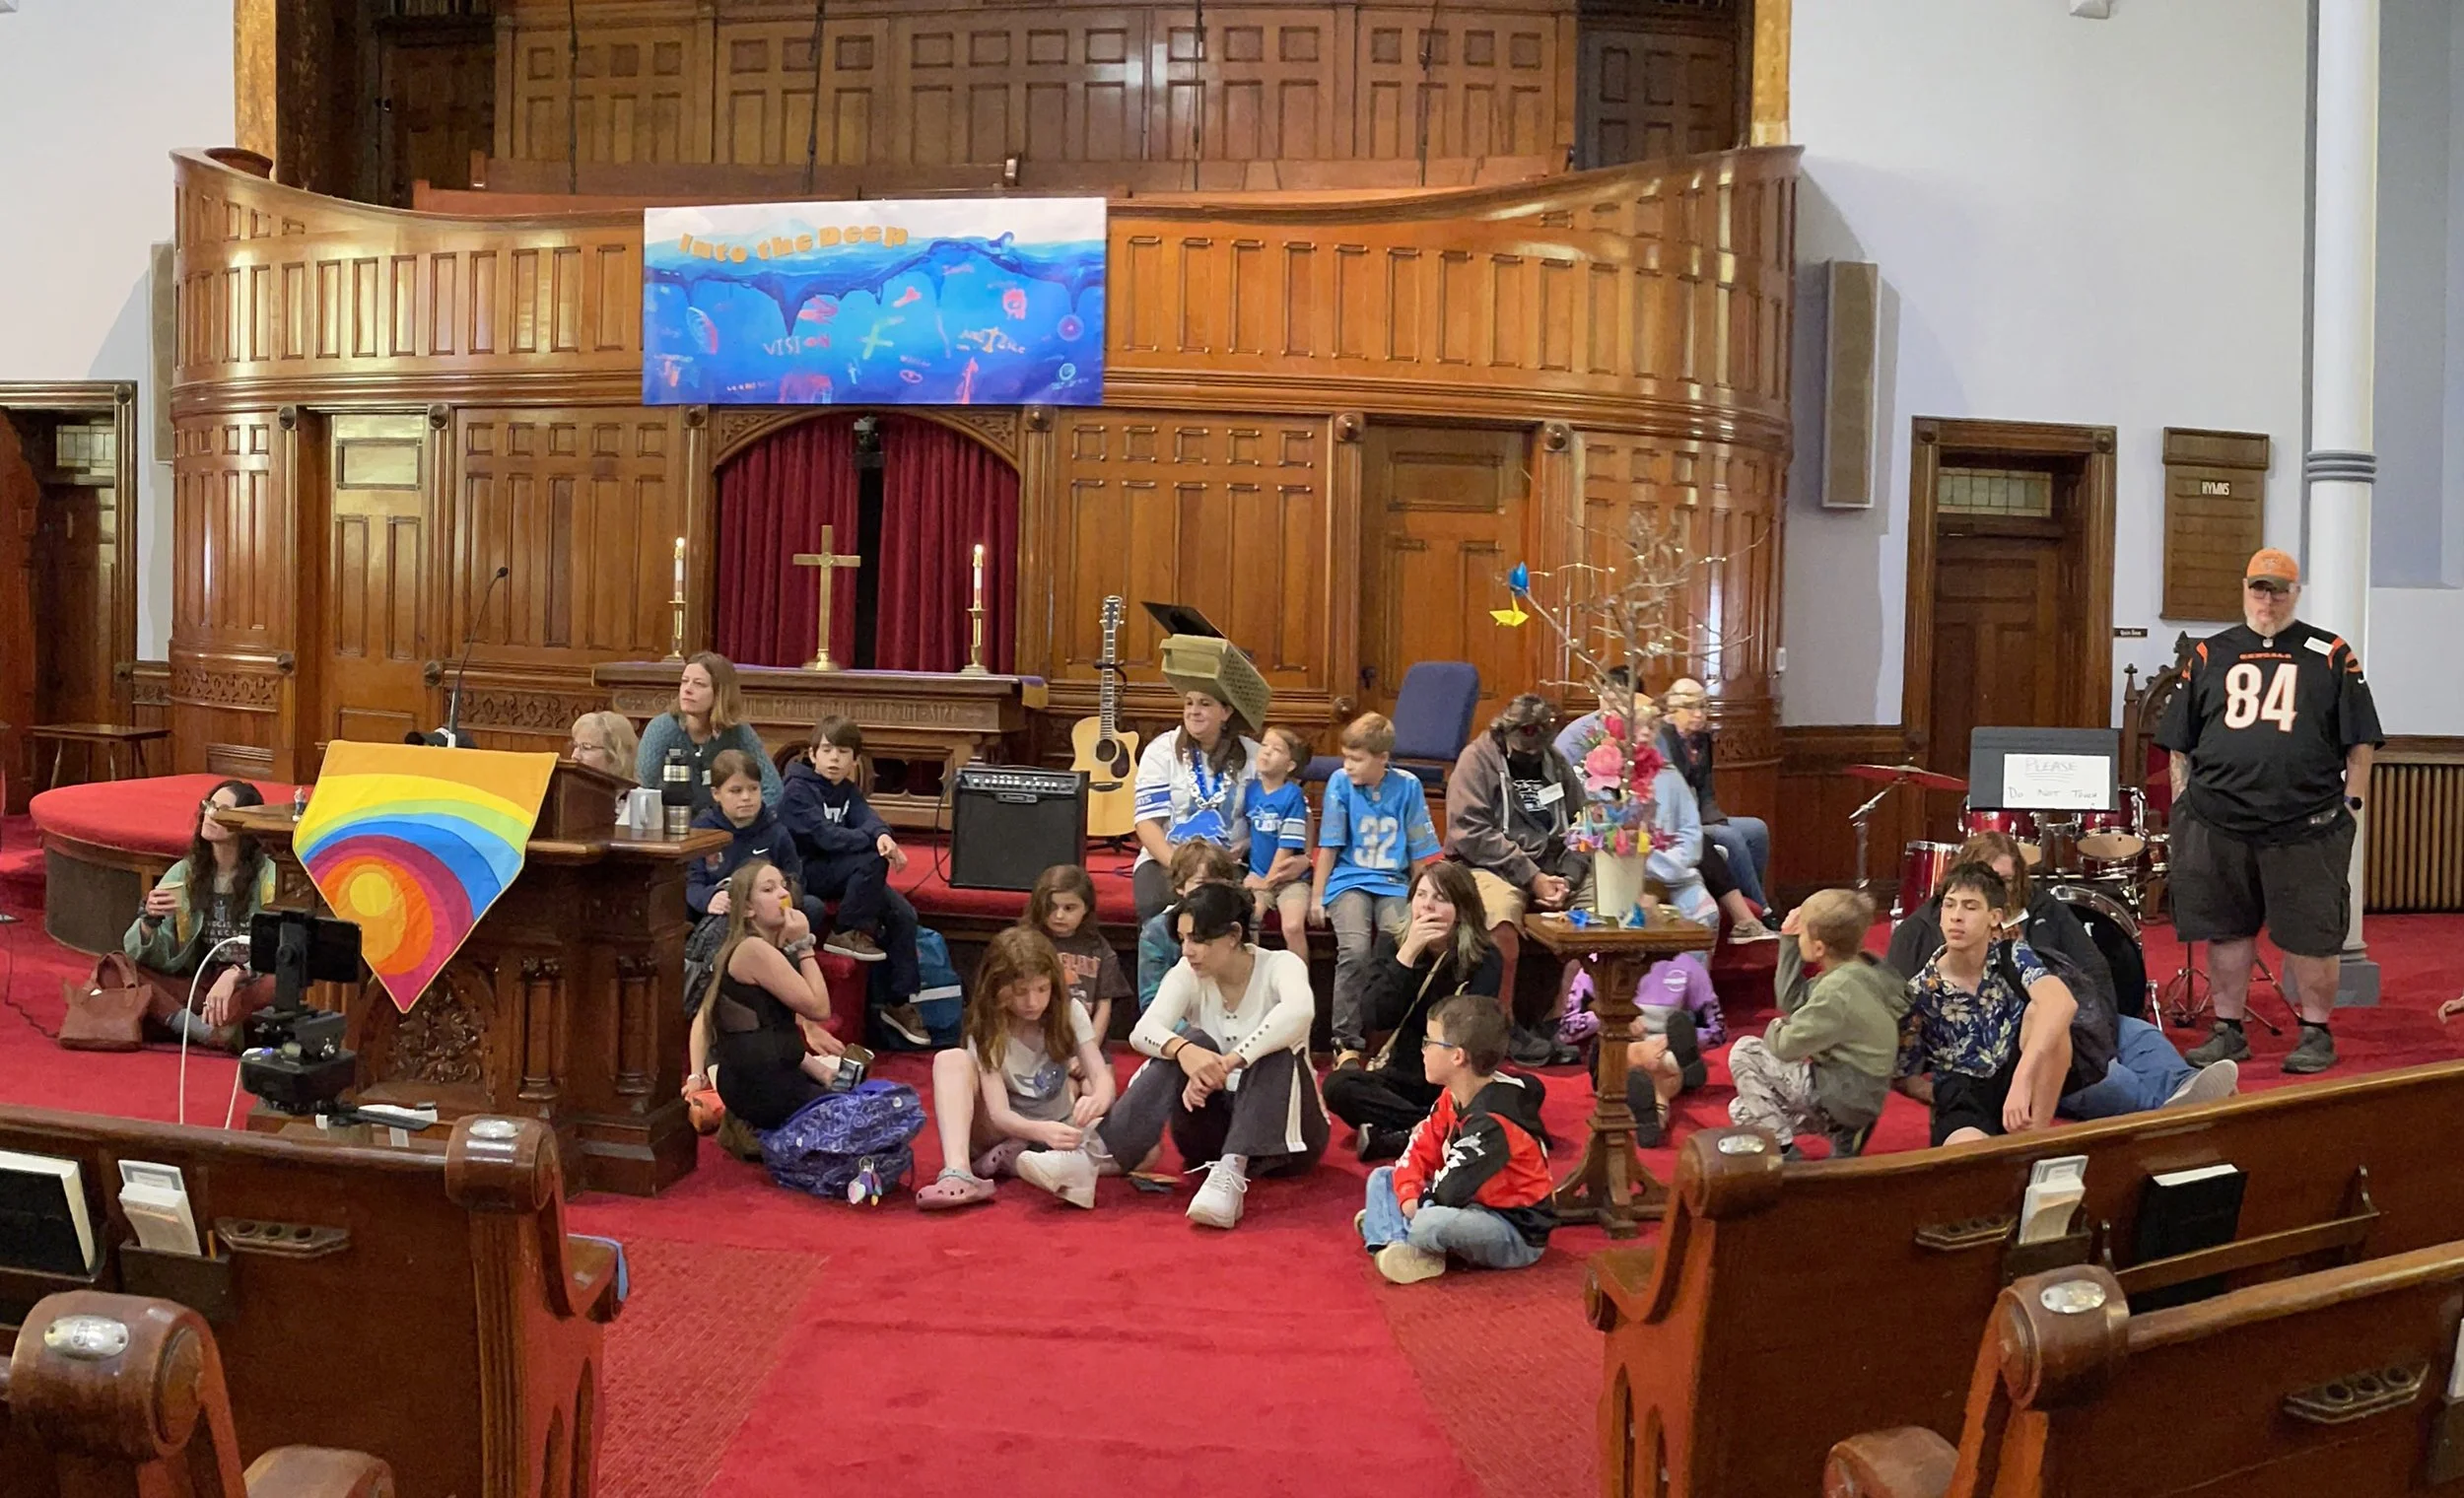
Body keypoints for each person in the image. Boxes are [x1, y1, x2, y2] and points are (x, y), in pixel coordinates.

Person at [2157, 547, 2383, 1075]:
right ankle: (2228, 1029)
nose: (2268, 598)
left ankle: (2316, 1031)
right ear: (2244, 589)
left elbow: (2362, 740)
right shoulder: (2210, 655)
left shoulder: (2330, 654)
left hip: (2307, 825)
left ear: (2296, 594)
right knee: (2227, 930)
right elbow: (2178, 742)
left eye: (2278, 589)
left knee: (2312, 933)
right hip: (2217, 821)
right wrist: (2184, 801)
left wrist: (2352, 804)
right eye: (2259, 587)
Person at [1888, 832, 2236, 1119]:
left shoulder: (2040, 907)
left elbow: (2093, 968)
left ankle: (2193, 1090)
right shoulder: (1922, 931)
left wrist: (2102, 1031)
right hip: (2024, 1053)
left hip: (2078, 1022)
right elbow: (1901, 1024)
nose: (1998, 891)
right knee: (2121, 1085)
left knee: (2143, 1036)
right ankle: (2179, 1115)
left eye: (2006, 882)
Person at [1098, 883, 1330, 1229]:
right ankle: (1099, 1154)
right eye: (1183, 940)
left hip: (1287, 1141)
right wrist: (1186, 1052)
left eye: (1199, 940)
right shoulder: (1186, 972)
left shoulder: (1282, 965)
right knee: (1187, 1041)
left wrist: (1233, 1059)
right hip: (1208, 1131)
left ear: (1233, 935)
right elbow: (1142, 1031)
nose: (1188, 951)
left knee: (1276, 1048)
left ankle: (1231, 1174)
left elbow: (1299, 1012)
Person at [1355, 994, 1554, 1284]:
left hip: (1512, 1230)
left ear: (1457, 1056)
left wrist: (1410, 1203)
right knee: (1382, 1177)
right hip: (1469, 1204)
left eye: (1429, 1042)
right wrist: (1408, 1192)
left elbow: (1447, 1191)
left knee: (1428, 1222)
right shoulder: (1453, 1095)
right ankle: (1398, 1243)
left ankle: (1390, 1232)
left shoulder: (1494, 1120)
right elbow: (1419, 1147)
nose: (1422, 1050)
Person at [917, 927, 1117, 1210]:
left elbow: (1102, 1078)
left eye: (1042, 989)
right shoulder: (989, 1026)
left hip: (1055, 1127)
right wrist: (1040, 1132)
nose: (1032, 1002)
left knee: (1144, 1152)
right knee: (951, 1060)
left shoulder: (1069, 1012)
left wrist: (1097, 1100)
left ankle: (1020, 1161)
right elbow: (1000, 1114)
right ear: (998, 988)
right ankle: (959, 1171)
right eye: (1020, 992)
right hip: (1006, 1128)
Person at [1323, 860, 1506, 1162]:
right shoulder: (1392, 942)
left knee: (1528, 1090)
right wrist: (1407, 955)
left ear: (1463, 909)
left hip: (1454, 1074)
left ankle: (1402, 1134)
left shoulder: (1484, 956)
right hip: (1402, 1073)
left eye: (1441, 899)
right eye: (1421, 896)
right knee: (1338, 1086)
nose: (1427, 907)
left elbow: (1476, 1033)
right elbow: (1376, 1017)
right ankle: (1436, 1128)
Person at [1892, 862, 2078, 1146]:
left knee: (2042, 1013)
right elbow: (1902, 1073)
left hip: (2017, 1080)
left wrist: (2022, 1080)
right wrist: (1942, 1095)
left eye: (1970, 907)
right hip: (1963, 1100)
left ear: (1994, 917)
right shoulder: (1921, 989)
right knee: (1973, 1158)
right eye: (1949, 905)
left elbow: (2063, 1003)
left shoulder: (2012, 954)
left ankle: (2036, 1142)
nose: (1956, 917)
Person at [780, 715, 927, 1048]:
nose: (835, 758)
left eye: (843, 752)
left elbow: (870, 819)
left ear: (854, 760)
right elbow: (827, 838)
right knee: (873, 858)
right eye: (828, 750)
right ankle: (846, 931)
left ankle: (898, 1001)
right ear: (812, 754)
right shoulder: (797, 791)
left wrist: (884, 837)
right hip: (808, 874)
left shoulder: (846, 790)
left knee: (905, 914)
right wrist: (876, 843)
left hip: (845, 871)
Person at [1727, 889, 1907, 1158]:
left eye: (1801, 934)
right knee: (1742, 1109)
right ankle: (1844, 1146)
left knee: (1745, 1051)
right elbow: (1794, 1001)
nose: (1797, 935)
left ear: (1819, 947)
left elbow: (1784, 1047)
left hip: (1840, 1095)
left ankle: (1786, 1153)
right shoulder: (1862, 971)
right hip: (1862, 1098)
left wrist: (1779, 1025)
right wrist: (1790, 941)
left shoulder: (1838, 990)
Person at [1313, 712, 1443, 1067]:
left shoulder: (1409, 786)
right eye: (1346, 757)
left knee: (1403, 944)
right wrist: (1316, 895)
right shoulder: (1340, 783)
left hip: (1393, 882)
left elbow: (1420, 851)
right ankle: (1346, 1042)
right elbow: (1329, 845)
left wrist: (1425, 896)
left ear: (1382, 758)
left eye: (1357, 759)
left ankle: (1394, 1042)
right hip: (1348, 880)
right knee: (1354, 949)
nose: (1348, 765)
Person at [683, 858, 849, 1134]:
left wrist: (821, 1072)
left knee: (867, 1101)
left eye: (783, 886)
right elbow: (820, 1009)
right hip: (760, 1089)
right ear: (747, 908)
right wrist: (805, 944)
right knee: (880, 1117)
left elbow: (776, 1033)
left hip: (770, 1076)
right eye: (769, 890)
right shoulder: (752, 950)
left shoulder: (770, 949)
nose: (784, 894)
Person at [122, 780, 279, 1046]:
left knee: (281, 982)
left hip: (244, 983)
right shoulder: (185, 872)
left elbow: (279, 948)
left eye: (222, 810)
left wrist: (237, 972)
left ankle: (181, 1020)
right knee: (119, 967)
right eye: (209, 806)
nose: (209, 815)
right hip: (199, 982)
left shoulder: (270, 878)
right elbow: (158, 955)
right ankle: (205, 1032)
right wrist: (149, 922)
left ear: (245, 824)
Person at [1129, 685, 1264, 920]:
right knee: (1157, 904)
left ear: (1226, 712)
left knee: (1225, 908)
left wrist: (1247, 844)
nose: (1193, 711)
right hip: (1166, 859)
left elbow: (1274, 814)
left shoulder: (1254, 756)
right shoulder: (1161, 751)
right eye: (1189, 703)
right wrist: (1181, 868)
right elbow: (1147, 823)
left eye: (1205, 703)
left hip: (1229, 864)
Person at [1658, 678, 1773, 920]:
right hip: (1674, 822)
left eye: (1704, 706)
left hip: (1700, 815)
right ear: (1671, 708)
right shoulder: (1662, 739)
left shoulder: (1702, 740)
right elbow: (1671, 793)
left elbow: (1706, 791)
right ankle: (1761, 911)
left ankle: (1753, 896)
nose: (1699, 714)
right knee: (1729, 836)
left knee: (1755, 829)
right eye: (1690, 707)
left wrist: (1716, 820)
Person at [634, 652, 781, 815]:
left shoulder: (739, 732)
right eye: (684, 682)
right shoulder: (661, 729)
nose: (687, 690)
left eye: (699, 684)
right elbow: (644, 790)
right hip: (671, 827)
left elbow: (773, 790)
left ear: (720, 693)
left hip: (726, 830)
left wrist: (746, 821)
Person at [686, 749, 814, 924]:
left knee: (812, 907)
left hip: (765, 910)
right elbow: (691, 882)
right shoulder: (702, 830)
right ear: (716, 794)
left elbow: (794, 880)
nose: (746, 797)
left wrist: (771, 898)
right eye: (736, 791)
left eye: (753, 789)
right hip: (723, 908)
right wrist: (710, 897)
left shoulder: (776, 830)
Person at [1020, 863, 1129, 1041]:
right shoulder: (1026, 942)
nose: (1059, 915)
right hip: (1035, 1037)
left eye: (1069, 908)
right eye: (1051, 907)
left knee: (1103, 1069)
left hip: (1084, 1037)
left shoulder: (1099, 948)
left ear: (1086, 908)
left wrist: (1090, 1047)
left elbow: (1104, 1005)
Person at [1136, 841, 1244, 1013]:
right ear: (1180, 886)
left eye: (1218, 883)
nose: (1210, 891)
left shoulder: (1236, 923)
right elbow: (1151, 1002)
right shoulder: (1156, 932)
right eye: (1201, 883)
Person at [1243, 725, 1315, 942]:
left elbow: (1286, 846)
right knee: (1250, 920)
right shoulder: (1251, 790)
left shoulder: (1292, 796)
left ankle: (1299, 976)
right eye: (1264, 745)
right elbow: (1253, 832)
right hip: (1258, 875)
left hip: (1289, 880)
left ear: (1290, 765)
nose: (1265, 751)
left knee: (1292, 926)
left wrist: (1267, 882)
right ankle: (1250, 974)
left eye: (1276, 750)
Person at [567, 711, 640, 782]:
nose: (574, 756)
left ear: (615, 754)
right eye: (575, 746)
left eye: (586, 747)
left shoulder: (636, 793)